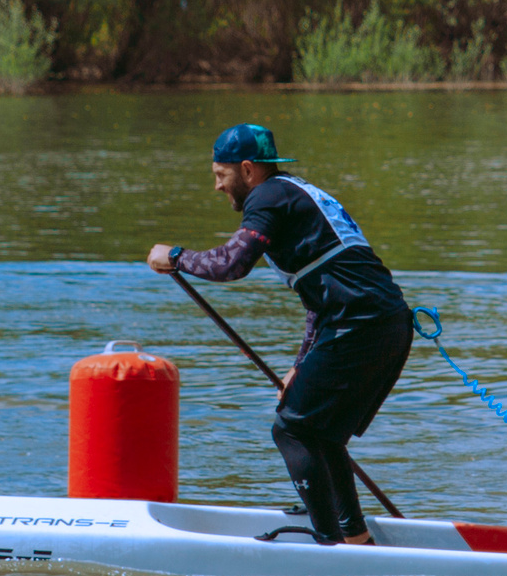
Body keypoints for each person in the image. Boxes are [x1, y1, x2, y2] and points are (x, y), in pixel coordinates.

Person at [148, 123, 412, 546]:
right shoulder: (293, 193)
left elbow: (232, 263)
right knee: (321, 432)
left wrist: (175, 257)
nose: (217, 186)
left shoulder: (268, 197)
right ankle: (355, 537)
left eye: (221, 174)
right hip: (382, 323)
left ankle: (328, 545)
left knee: (292, 430)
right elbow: (317, 299)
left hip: (361, 325)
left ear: (248, 170)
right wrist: (299, 365)